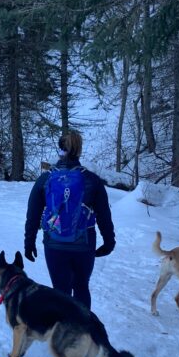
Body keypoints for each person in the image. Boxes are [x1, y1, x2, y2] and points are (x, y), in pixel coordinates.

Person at [23, 129, 115, 309]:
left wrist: (29, 243)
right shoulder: (91, 180)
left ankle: (62, 335)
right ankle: (83, 333)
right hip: (84, 243)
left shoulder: (45, 179)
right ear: (79, 151)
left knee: (60, 291)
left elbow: (32, 215)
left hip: (54, 243)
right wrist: (109, 242)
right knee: (81, 287)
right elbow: (104, 215)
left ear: (59, 150)